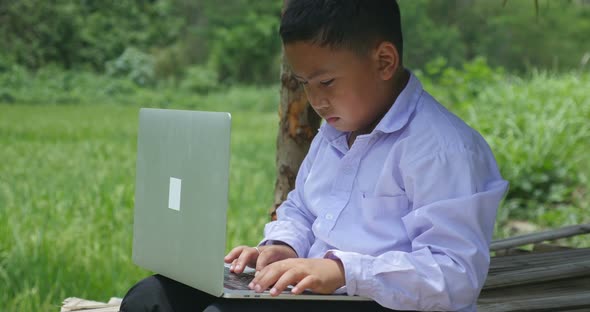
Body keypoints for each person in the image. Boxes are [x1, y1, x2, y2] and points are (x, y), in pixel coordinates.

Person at [120, 0, 508, 311]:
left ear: (384, 61)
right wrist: (283, 248)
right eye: (305, 84)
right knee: (151, 298)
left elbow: (455, 274)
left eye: (326, 82)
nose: (316, 100)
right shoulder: (335, 129)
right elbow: (303, 209)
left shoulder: (443, 149)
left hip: (378, 301)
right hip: (320, 296)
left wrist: (341, 271)